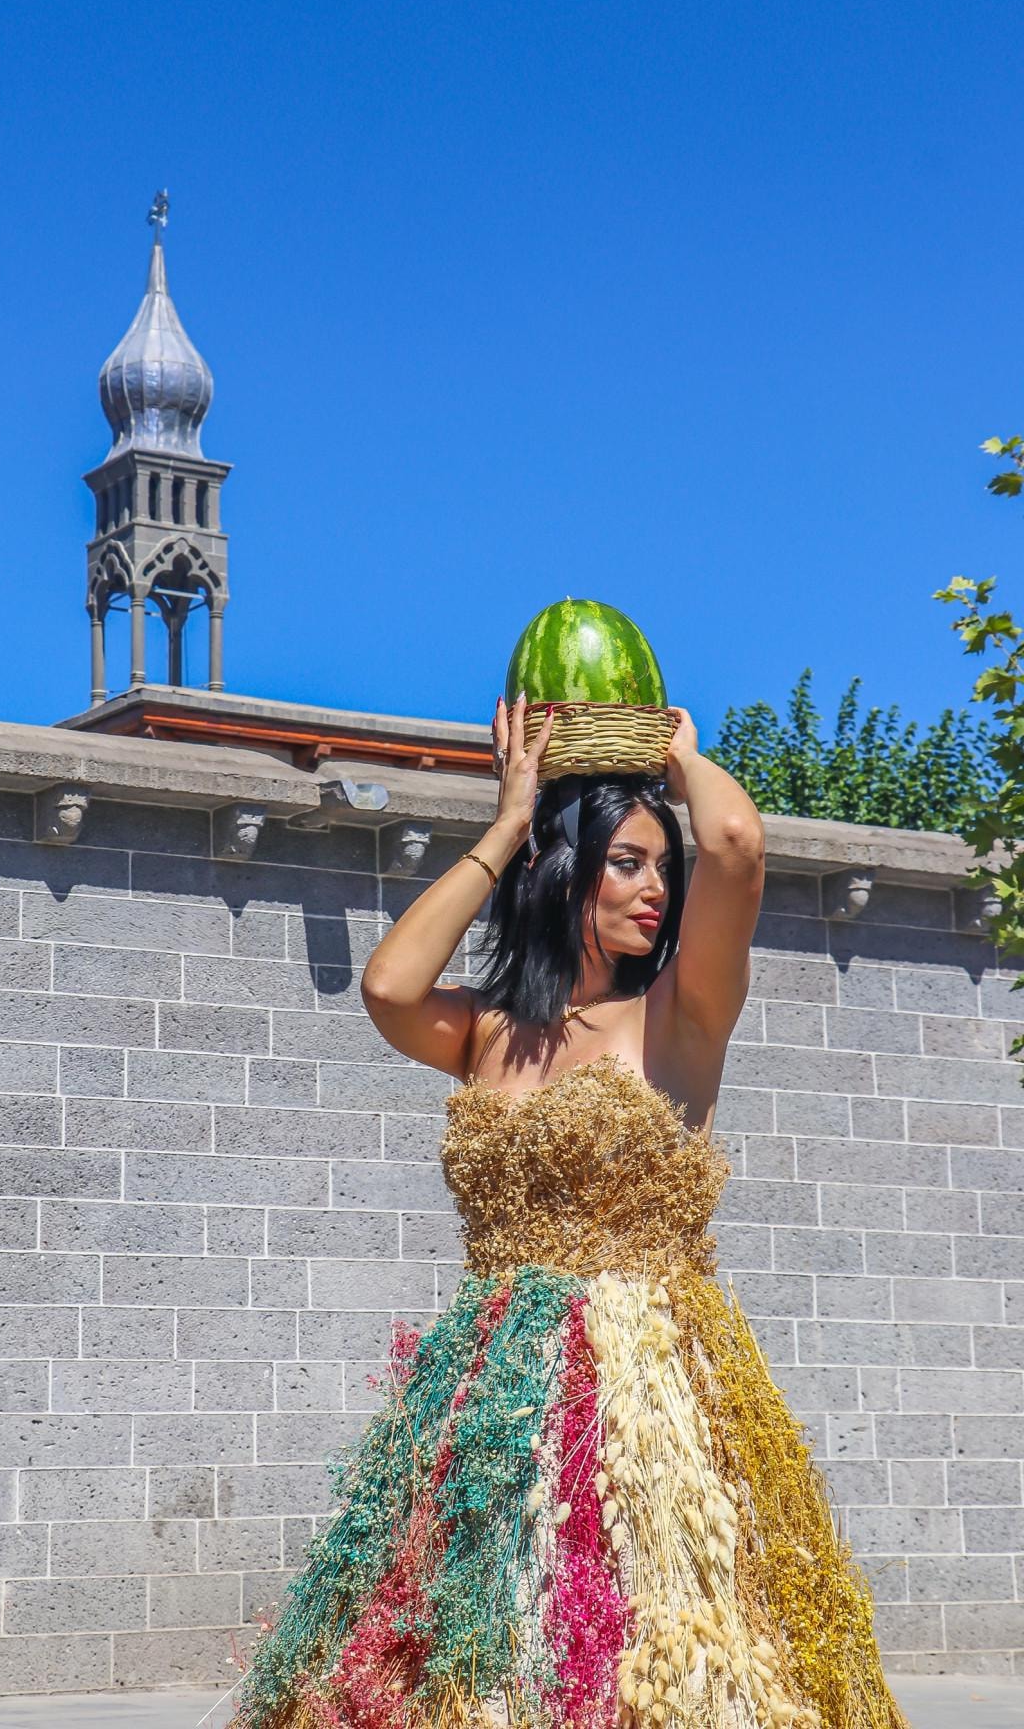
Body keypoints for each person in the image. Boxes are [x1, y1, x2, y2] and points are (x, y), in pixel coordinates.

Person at [228, 695, 909, 1729]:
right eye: (627, 863)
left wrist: (677, 759)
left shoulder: (679, 1015)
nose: (657, 888)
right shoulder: (485, 1030)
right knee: (477, 1666)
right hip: (493, 1398)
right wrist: (509, 823)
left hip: (649, 1400)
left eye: (662, 867)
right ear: (561, 870)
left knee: (658, 1663)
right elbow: (389, 985)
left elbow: (735, 843)